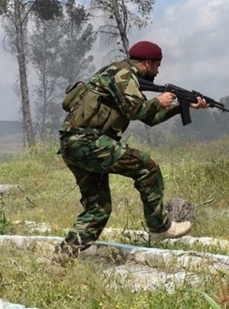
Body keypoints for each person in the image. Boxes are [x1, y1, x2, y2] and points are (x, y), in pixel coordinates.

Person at [55, 40, 207, 257]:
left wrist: (181, 107)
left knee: (98, 210)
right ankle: (160, 227)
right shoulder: (123, 74)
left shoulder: (120, 74)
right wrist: (158, 101)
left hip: (75, 144)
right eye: (157, 66)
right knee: (147, 167)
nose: (157, 71)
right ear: (147, 62)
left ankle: (60, 258)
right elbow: (138, 110)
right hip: (88, 142)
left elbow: (149, 118)